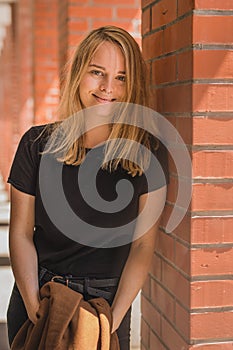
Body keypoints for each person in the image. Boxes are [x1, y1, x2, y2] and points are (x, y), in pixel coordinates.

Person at [7, 26, 168, 349]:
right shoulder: (36, 144)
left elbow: (142, 248)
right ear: (79, 72)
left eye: (121, 77)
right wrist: (33, 304)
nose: (108, 88)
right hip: (40, 291)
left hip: (107, 303)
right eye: (98, 72)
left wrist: (114, 318)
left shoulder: (148, 153)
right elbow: (21, 233)